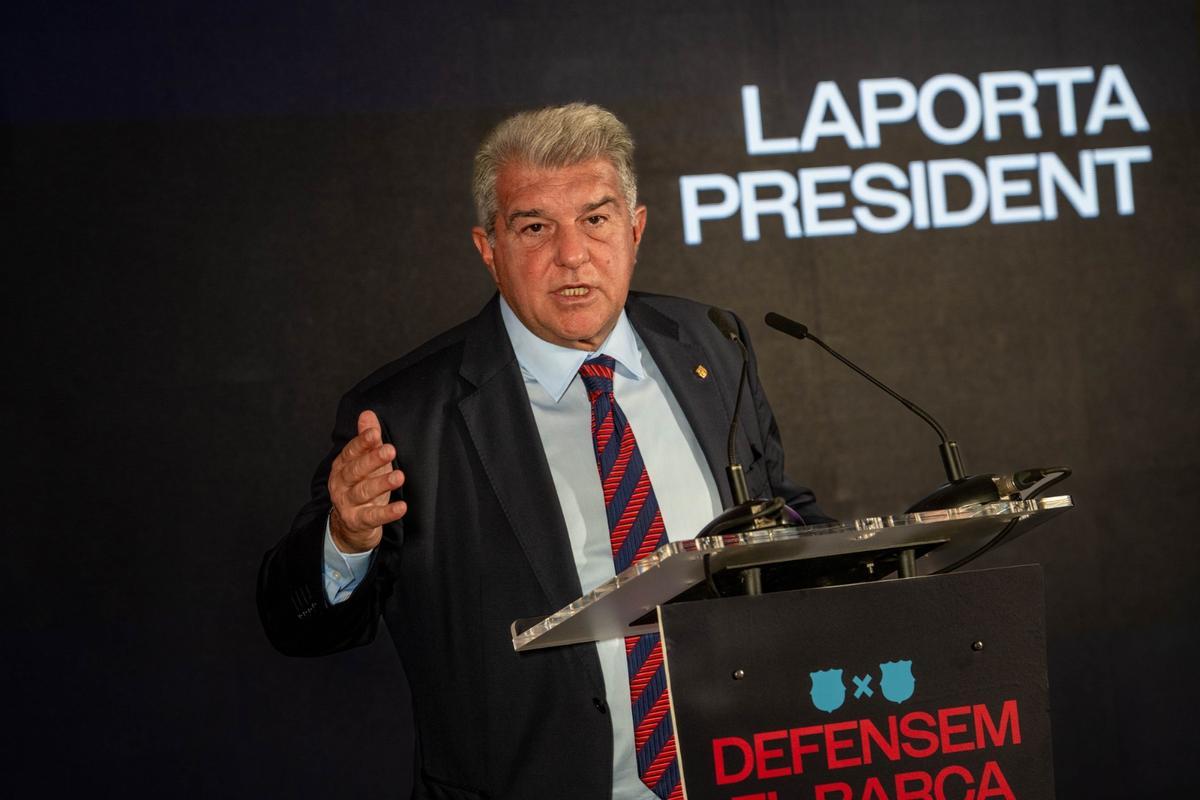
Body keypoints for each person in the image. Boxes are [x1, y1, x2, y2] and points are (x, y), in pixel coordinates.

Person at [258, 103, 829, 800]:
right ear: (488, 248)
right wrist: (346, 539)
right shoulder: (405, 415)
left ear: (635, 229)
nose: (572, 254)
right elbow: (298, 625)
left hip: (746, 775)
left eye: (596, 219)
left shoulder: (712, 343)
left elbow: (773, 509)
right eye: (535, 227)